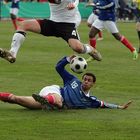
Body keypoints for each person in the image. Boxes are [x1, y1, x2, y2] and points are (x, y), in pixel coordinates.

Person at [0, 55, 132, 110]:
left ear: (93, 84)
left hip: (49, 104)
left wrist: (120, 107)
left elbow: (104, 105)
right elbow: (58, 68)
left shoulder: (91, 100)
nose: (85, 81)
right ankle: (46, 100)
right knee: (59, 101)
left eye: (88, 81)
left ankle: (45, 102)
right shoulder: (73, 81)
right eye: (84, 79)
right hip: (54, 92)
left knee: (16, 99)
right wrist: (67, 59)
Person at [0, 0, 102, 63]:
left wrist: (74, 4)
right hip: (53, 23)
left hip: (68, 24)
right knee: (23, 25)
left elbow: (76, 0)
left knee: (78, 48)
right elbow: (56, 1)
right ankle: (12, 53)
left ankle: (91, 49)